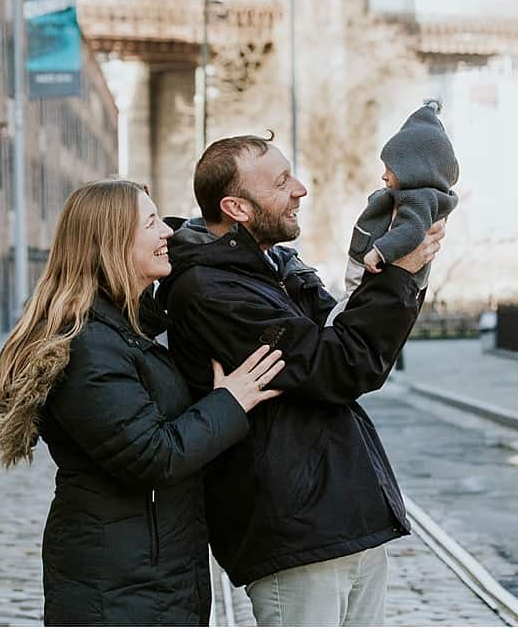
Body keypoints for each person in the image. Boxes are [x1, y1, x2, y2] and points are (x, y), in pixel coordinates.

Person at [157, 134, 446, 626]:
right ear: (237, 208)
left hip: (345, 517)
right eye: (281, 181)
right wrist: (397, 275)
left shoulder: (275, 266)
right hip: (293, 528)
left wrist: (389, 267)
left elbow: (350, 334)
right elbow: (342, 365)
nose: (301, 189)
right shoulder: (209, 290)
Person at [0, 179, 287, 625]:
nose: (166, 232)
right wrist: (231, 400)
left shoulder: (126, 328)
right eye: (151, 223)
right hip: (118, 585)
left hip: (151, 570)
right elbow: (152, 455)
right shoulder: (88, 345)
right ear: (112, 243)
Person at [327, 100, 459, 325]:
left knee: (343, 315)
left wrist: (379, 251)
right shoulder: (407, 195)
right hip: (370, 274)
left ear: (414, 170)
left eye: (391, 169)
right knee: (346, 308)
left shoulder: (418, 199)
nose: (384, 175)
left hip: (372, 269)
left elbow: (411, 230)